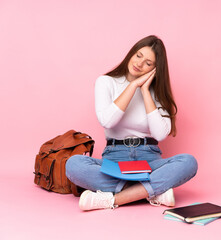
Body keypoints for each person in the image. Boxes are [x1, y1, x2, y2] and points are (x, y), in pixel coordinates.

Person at [65, 35, 198, 211]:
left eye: (148, 63)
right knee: (74, 165)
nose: (140, 63)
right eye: (138, 55)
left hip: (149, 160)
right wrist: (133, 85)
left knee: (189, 162)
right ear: (131, 54)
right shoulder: (106, 82)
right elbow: (107, 121)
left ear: (156, 69)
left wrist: (145, 92)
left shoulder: (157, 94)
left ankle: (113, 199)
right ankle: (151, 192)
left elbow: (159, 135)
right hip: (114, 158)